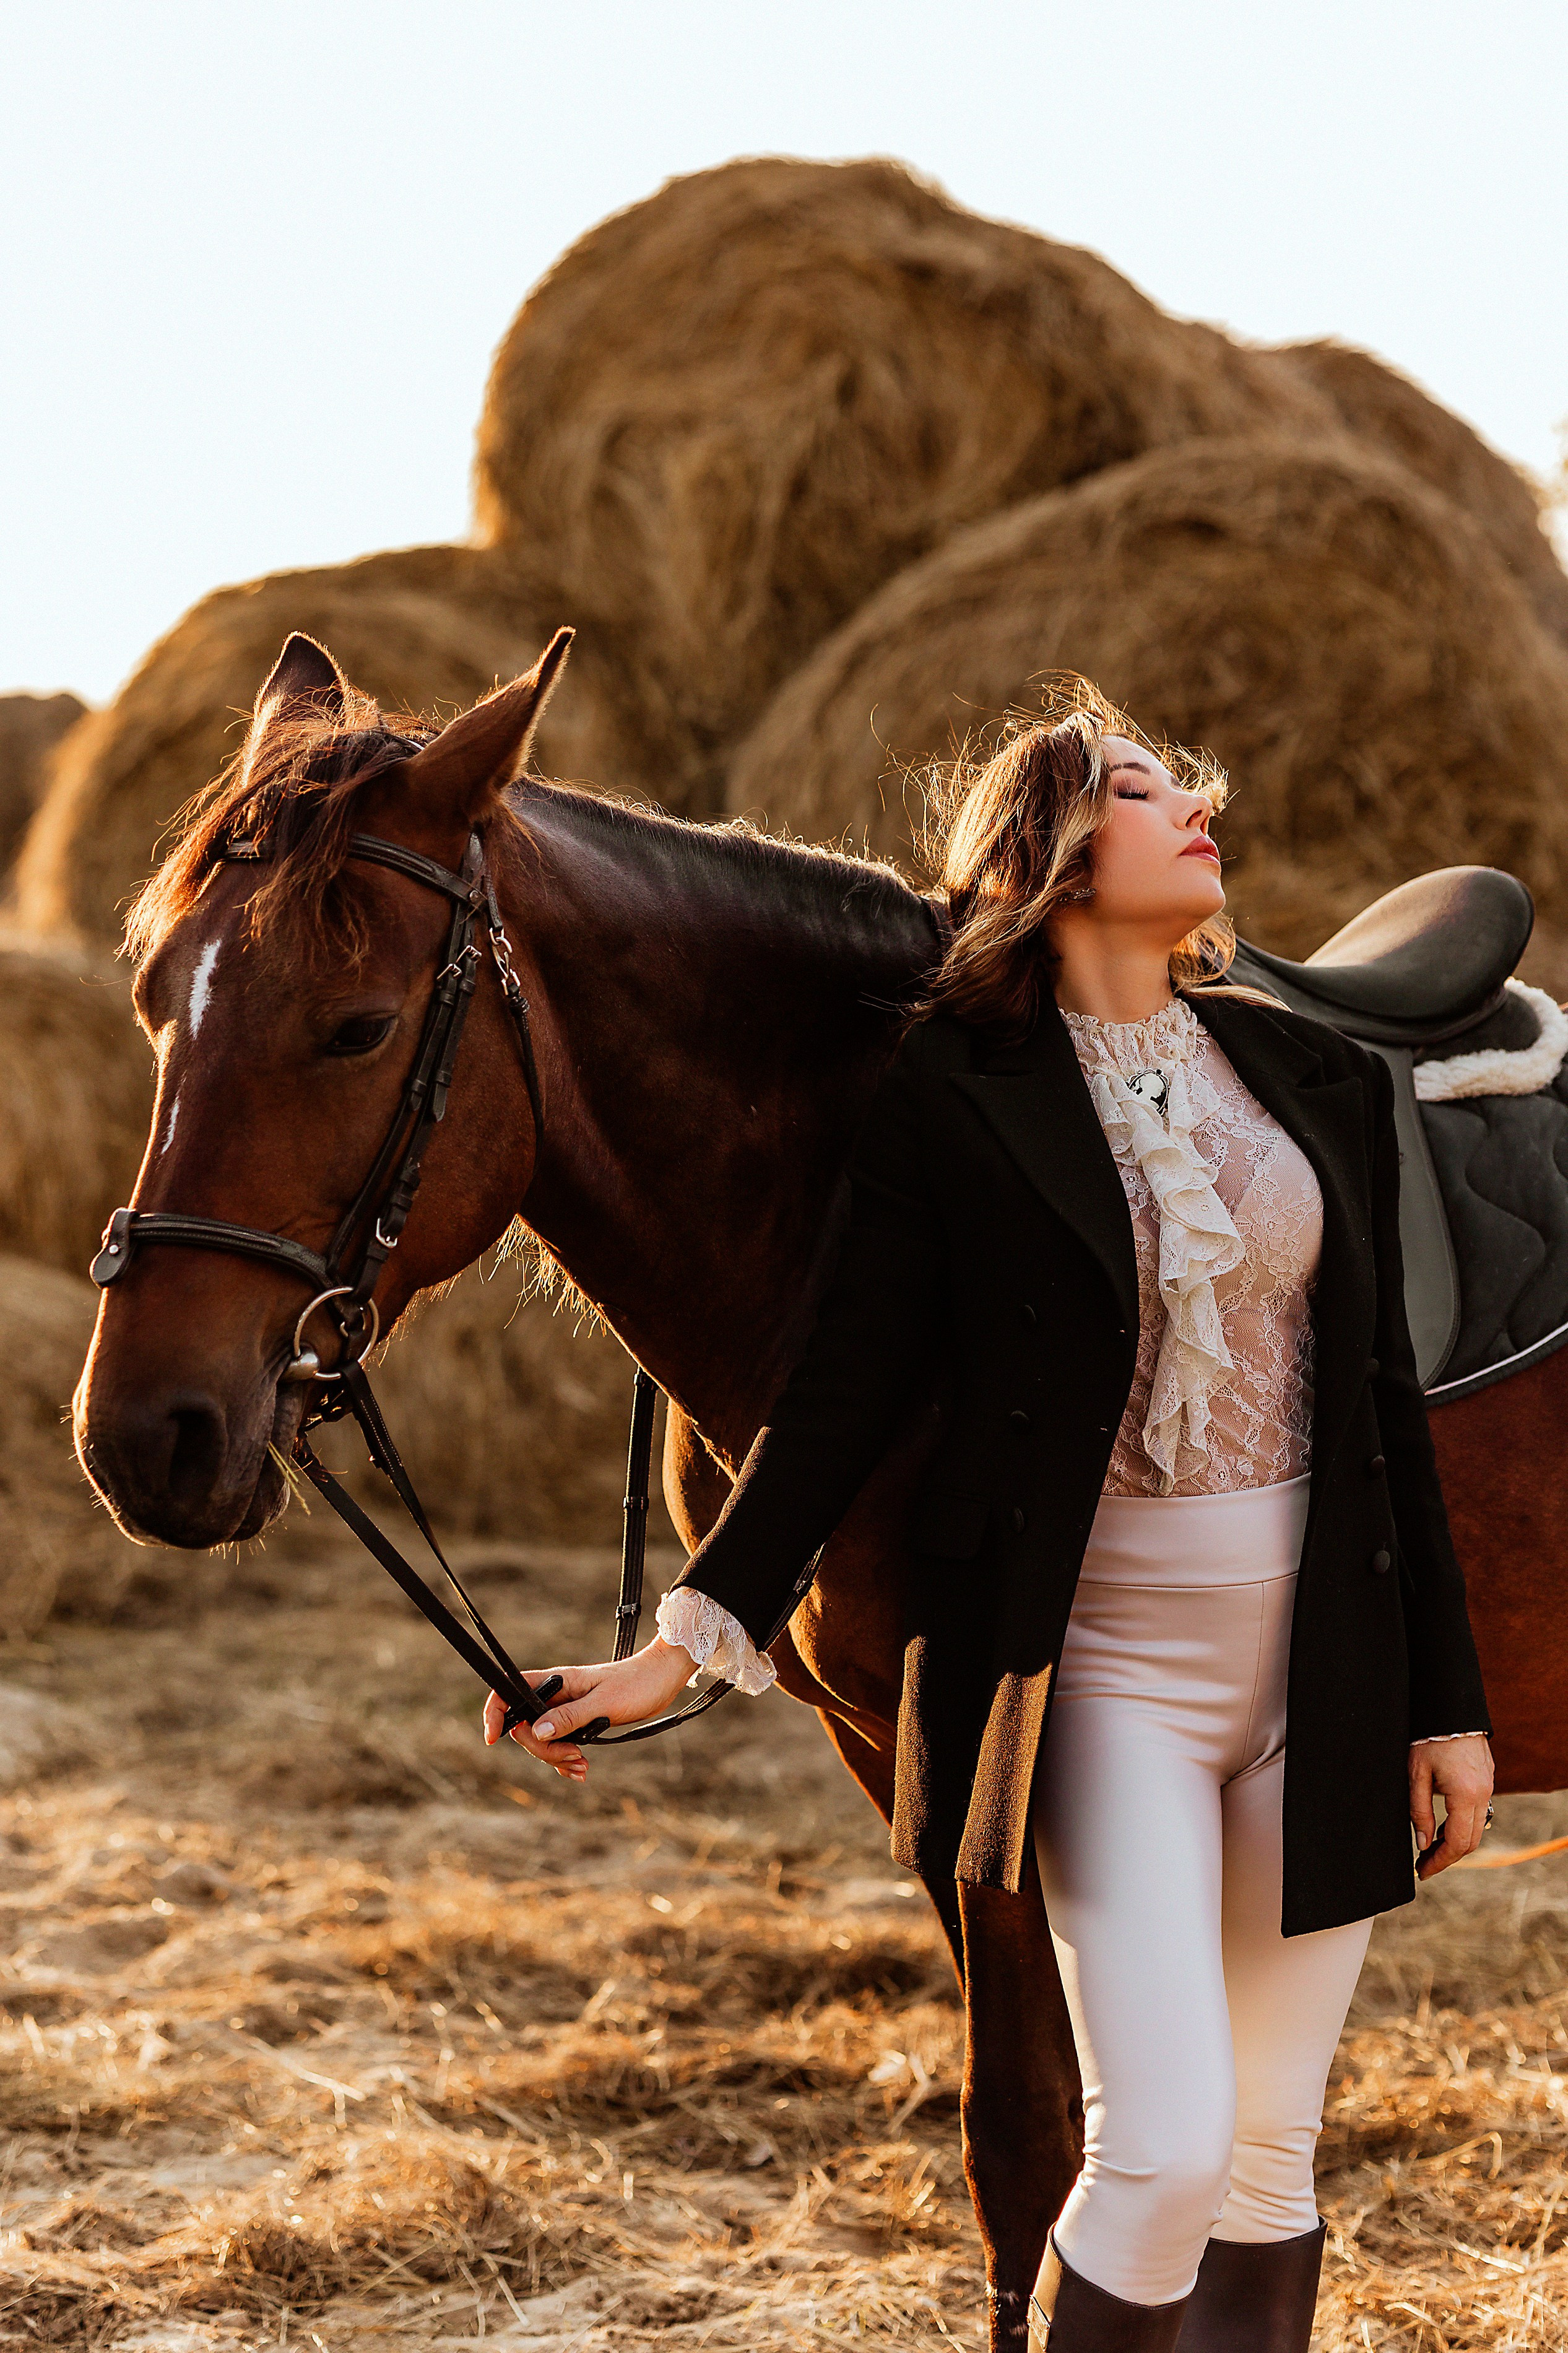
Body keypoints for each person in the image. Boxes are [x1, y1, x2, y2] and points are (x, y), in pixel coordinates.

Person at [484, 686, 1494, 2351]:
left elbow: (1380, 1406)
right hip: (1108, 1680)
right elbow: (841, 1390)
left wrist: (1445, 1700)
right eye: (1145, 790)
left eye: (1190, 786)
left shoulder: (1305, 1072)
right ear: (1054, 859)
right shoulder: (956, 1093)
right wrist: (682, 1643)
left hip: (1328, 1663)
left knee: (1263, 2165)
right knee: (1159, 2150)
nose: (1199, 808)